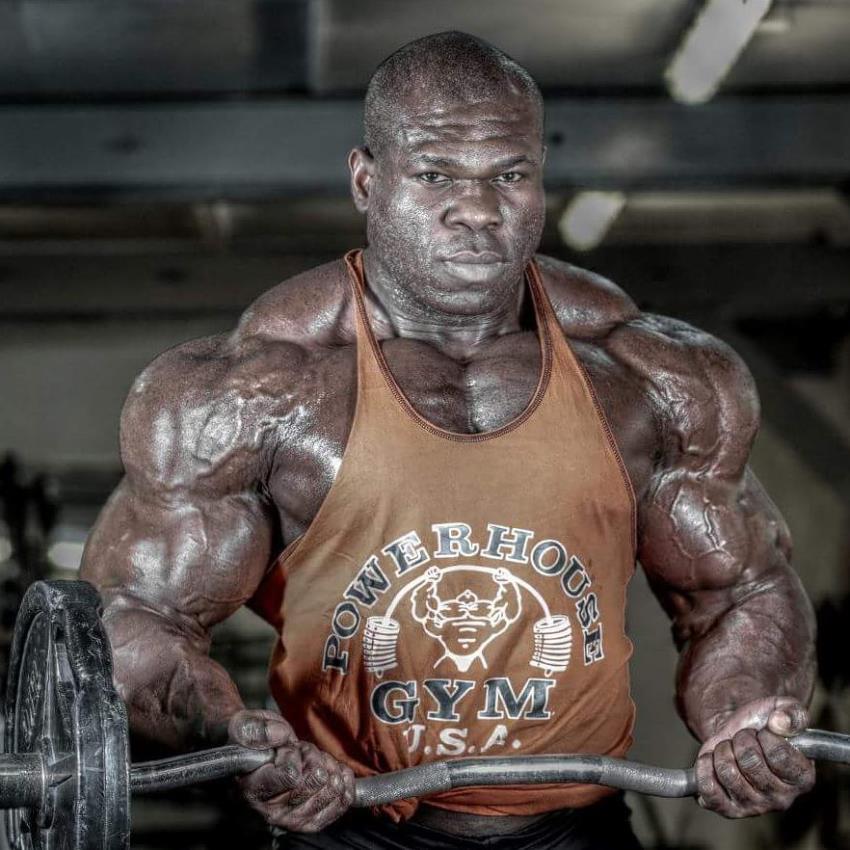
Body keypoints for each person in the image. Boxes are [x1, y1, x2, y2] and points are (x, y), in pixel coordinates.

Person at [80, 31, 816, 849]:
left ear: (540, 179)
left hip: (576, 825)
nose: (478, 209)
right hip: (349, 824)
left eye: (510, 175)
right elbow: (136, 620)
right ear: (367, 180)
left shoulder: (653, 375)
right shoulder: (247, 391)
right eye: (436, 175)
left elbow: (741, 591)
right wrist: (233, 739)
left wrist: (741, 717)